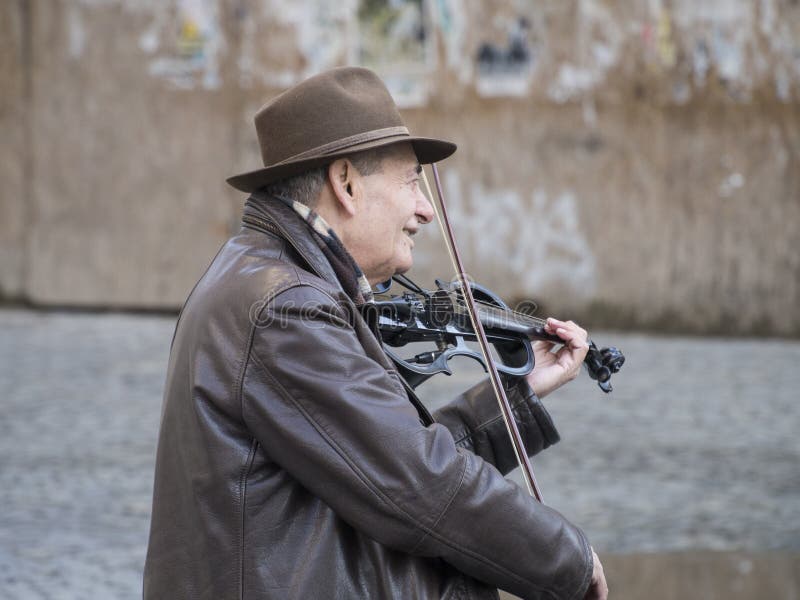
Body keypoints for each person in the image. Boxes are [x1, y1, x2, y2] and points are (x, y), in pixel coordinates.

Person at [143, 66, 608, 600]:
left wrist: (518, 394)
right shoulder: (287, 309)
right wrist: (569, 560)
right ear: (346, 184)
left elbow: (383, 458)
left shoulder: (263, 276)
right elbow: (420, 485)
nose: (425, 209)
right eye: (412, 180)